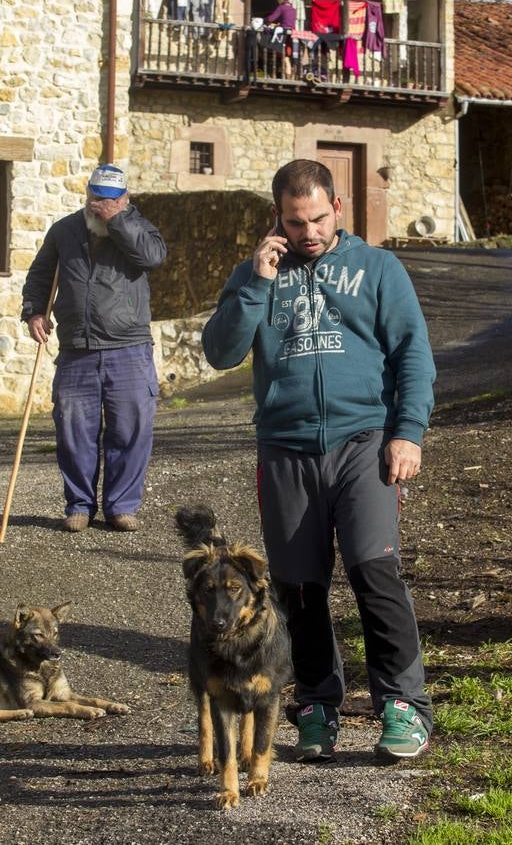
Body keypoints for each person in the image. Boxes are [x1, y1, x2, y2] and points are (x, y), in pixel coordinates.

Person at [201, 159, 436, 763]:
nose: (308, 231)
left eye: (317, 217)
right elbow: (221, 352)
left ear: (337, 206)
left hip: (363, 442)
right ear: (277, 217)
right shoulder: (256, 272)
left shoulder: (379, 268)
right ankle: (316, 707)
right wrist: (255, 282)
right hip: (285, 449)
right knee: (299, 589)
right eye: (294, 220)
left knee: (373, 569)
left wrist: (406, 432)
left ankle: (403, 704)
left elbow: (413, 355)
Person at [21, 164, 167, 533]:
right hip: (76, 347)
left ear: (124, 200)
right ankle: (79, 505)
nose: (98, 206)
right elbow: (40, 273)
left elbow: (152, 258)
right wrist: (34, 311)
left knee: (130, 430)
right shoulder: (65, 229)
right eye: (94, 197)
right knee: (73, 431)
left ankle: (121, 506)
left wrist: (117, 222)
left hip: (129, 347)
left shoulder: (139, 227)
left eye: (107, 200)